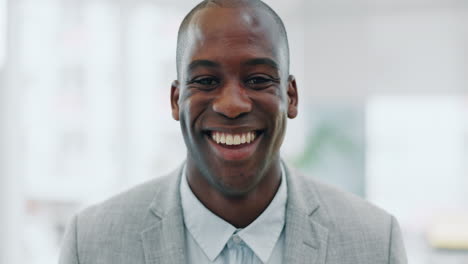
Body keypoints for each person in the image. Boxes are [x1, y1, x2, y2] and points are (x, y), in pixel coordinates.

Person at [59, 0, 407, 263]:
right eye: (207, 81)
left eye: (257, 80)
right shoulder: (90, 244)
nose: (232, 104)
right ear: (175, 100)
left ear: (291, 96)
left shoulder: (375, 242)